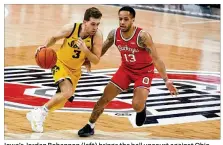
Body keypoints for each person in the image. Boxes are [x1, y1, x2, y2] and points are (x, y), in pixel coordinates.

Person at [78, 6, 178, 137]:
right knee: (103, 98)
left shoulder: (143, 36)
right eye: (120, 19)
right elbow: (101, 51)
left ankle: (141, 107)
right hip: (125, 69)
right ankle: (90, 126)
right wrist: (88, 59)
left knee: (136, 105)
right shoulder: (114, 34)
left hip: (144, 72)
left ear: (133, 20)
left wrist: (167, 80)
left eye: (126, 19)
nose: (122, 22)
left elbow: (157, 59)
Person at [26, 7, 103, 133]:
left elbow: (96, 60)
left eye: (98, 24)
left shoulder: (97, 36)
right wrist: (43, 47)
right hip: (60, 63)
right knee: (67, 92)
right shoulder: (71, 28)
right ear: (85, 22)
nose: (95, 27)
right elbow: (54, 37)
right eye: (93, 24)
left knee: (60, 101)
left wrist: (85, 51)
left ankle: (36, 114)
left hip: (75, 70)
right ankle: (40, 112)